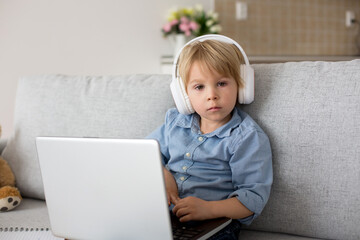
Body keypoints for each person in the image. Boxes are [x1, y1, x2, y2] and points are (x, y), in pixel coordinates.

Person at [147, 36, 272, 239]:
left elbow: (253, 199)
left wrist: (209, 209)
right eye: (199, 87)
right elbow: (146, 153)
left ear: (242, 86)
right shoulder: (175, 122)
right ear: (184, 95)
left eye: (221, 83)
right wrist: (165, 176)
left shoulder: (246, 137)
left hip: (215, 225)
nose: (211, 95)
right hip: (164, 218)